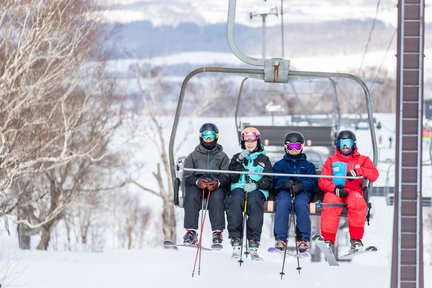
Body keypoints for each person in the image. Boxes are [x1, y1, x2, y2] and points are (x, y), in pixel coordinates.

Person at [318, 130, 379, 254]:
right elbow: (323, 181)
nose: (345, 147)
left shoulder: (362, 160)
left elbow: (374, 174)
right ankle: (328, 240)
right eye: (342, 144)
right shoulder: (332, 160)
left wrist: (359, 171)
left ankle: (356, 240)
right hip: (336, 191)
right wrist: (334, 189)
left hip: (354, 190)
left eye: (348, 143)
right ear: (338, 145)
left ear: (354, 144)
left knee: (357, 203)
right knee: (330, 202)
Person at [226, 127, 273, 257]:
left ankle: (253, 239)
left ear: (258, 141)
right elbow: (233, 177)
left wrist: (256, 185)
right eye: (247, 141)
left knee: (254, 200)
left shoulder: (264, 159)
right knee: (235, 200)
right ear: (243, 142)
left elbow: (269, 180)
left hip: (257, 189)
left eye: (253, 140)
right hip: (239, 186)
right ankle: (236, 237)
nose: (250, 143)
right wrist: (238, 161)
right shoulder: (237, 157)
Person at [182, 123, 230, 246]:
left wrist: (218, 183)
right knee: (191, 195)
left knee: (217, 197)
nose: (208, 139)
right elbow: (187, 175)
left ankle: (217, 232)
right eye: (205, 136)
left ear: (216, 137)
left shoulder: (222, 156)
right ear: (200, 137)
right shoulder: (193, 156)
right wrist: (197, 182)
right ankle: (191, 231)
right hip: (198, 185)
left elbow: (227, 175)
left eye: (211, 136)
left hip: (215, 186)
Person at [272, 131, 317, 253]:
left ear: (301, 147)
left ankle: (303, 238)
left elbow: (313, 181)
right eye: (290, 147)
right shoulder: (279, 165)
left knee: (301, 204)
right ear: (286, 147)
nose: (293, 150)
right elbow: (274, 179)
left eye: (296, 147)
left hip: (302, 192)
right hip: (285, 191)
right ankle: (280, 238)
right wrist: (284, 183)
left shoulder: (308, 166)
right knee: (282, 203)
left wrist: (302, 185)